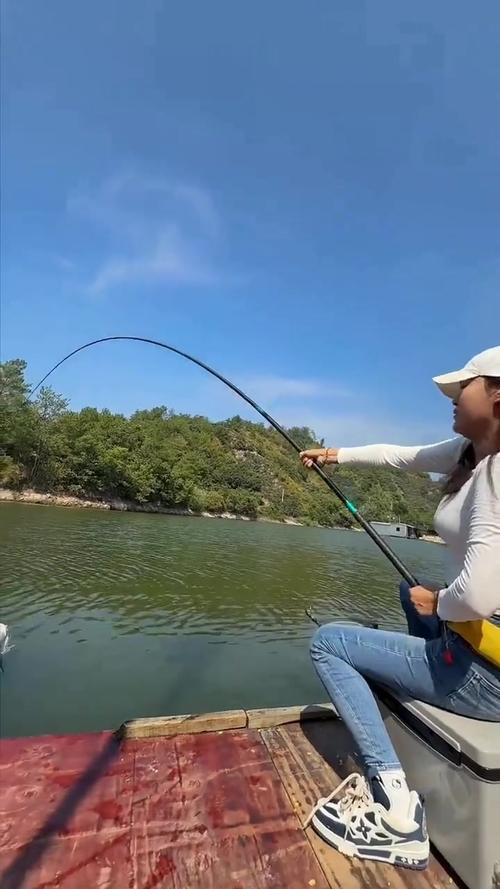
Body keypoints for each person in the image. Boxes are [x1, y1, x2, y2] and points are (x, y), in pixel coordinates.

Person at [299, 346, 500, 870]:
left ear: (498, 394)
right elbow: (401, 456)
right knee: (407, 590)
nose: (453, 399)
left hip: (486, 676)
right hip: (485, 655)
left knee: (330, 643)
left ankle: (396, 811)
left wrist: (439, 602)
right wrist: (336, 455)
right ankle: (430, 664)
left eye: (464, 388)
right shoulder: (470, 452)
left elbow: (477, 596)